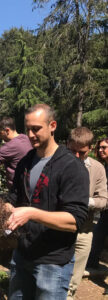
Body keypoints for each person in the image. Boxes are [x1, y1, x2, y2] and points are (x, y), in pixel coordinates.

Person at [6, 103, 89, 300]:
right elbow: (14, 196)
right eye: (28, 129)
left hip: (53, 262)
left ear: (53, 125)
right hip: (22, 255)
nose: (31, 134)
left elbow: (74, 220)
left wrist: (31, 213)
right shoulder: (26, 161)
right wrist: (6, 208)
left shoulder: (71, 166)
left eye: (36, 129)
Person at [66, 128, 107, 300]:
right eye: (72, 151)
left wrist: (85, 201)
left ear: (89, 149)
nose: (76, 156)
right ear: (67, 145)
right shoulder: (56, 163)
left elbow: (103, 200)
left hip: (84, 230)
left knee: (74, 279)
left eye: (81, 152)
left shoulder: (97, 168)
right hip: (58, 229)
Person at [87, 137, 108, 269]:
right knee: (98, 234)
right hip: (106, 210)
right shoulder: (103, 166)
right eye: (99, 147)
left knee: (99, 234)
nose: (100, 150)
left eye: (104, 147)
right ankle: (91, 263)